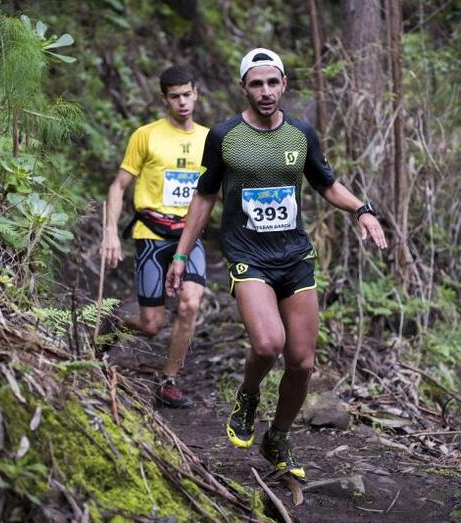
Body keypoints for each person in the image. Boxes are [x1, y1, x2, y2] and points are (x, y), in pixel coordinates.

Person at [166, 49, 387, 478]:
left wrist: (362, 209)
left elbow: (326, 183)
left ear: (284, 84)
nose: (265, 92)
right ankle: (248, 395)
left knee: (302, 363)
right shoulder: (225, 136)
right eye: (256, 83)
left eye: (272, 83)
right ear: (243, 87)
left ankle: (278, 437)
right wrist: (180, 252)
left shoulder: (301, 134)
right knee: (268, 344)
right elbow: (205, 195)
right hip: (248, 255)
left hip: (294, 257)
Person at [102, 65, 209, 408]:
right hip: (151, 232)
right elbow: (118, 185)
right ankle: (113, 325)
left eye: (187, 95)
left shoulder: (210, 139)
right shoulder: (146, 135)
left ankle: (169, 379)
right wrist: (110, 234)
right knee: (151, 324)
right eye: (174, 96)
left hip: (189, 234)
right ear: (164, 99)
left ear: (196, 93)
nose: (182, 102)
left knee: (191, 303)